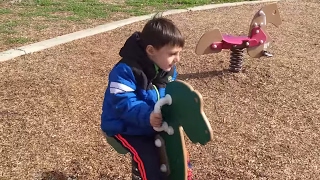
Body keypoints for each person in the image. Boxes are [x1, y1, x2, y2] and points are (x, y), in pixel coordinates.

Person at [100, 14, 193, 180]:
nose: (177, 59)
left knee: (178, 152)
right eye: (173, 53)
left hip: (154, 122)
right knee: (149, 158)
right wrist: (147, 115)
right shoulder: (125, 71)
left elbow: (170, 95)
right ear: (151, 51)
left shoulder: (166, 69)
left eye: (179, 53)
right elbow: (123, 103)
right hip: (125, 126)